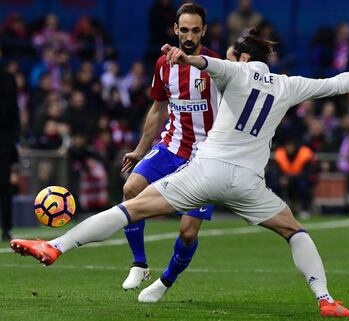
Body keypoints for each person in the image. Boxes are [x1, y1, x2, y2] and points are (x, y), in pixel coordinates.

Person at [10, 29, 349, 317]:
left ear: (244, 58)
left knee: (131, 207)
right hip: (249, 183)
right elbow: (336, 84)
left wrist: (187, 59)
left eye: (234, 56)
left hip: (207, 170)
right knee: (295, 230)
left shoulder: (234, 71)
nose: (229, 61)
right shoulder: (289, 84)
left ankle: (56, 246)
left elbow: (205, 62)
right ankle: (325, 299)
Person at [119, 2, 220, 291]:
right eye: (184, 30)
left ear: (204, 32)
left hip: (205, 157)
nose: (189, 37)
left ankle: (166, 281)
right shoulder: (163, 64)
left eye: (195, 31)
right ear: (175, 29)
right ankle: (139, 264)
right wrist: (140, 148)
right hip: (171, 146)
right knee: (130, 189)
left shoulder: (215, 67)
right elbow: (158, 109)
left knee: (187, 233)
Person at [0, 65, 20, 241]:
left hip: (4, 141)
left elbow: (14, 111)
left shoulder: (8, 78)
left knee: (4, 186)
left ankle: (6, 228)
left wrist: (14, 142)